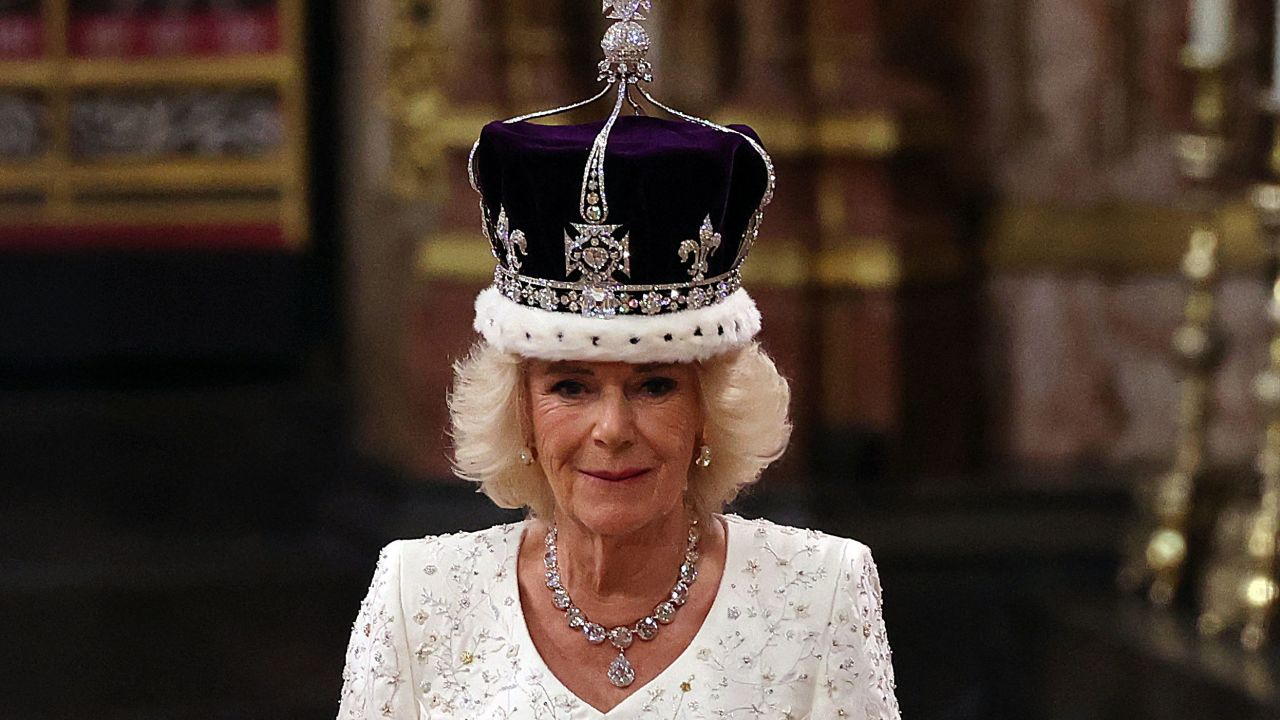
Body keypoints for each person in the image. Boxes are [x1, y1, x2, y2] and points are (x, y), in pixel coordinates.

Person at [337, 4, 899, 718]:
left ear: (710, 412)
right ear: (520, 413)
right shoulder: (418, 598)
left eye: (656, 385)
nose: (611, 428)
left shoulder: (819, 594)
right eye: (570, 386)